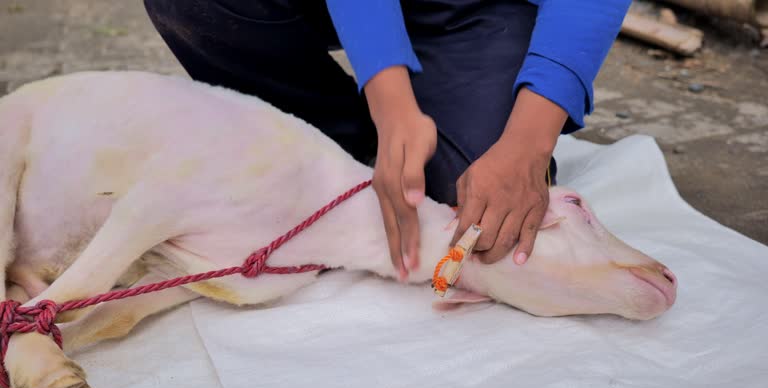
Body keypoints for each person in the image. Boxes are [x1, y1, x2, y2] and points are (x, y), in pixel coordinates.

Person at [144, 0, 631, 280]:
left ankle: (404, 146)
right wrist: (390, 100)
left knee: (469, 203)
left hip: (484, 8)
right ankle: (342, 145)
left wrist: (527, 145)